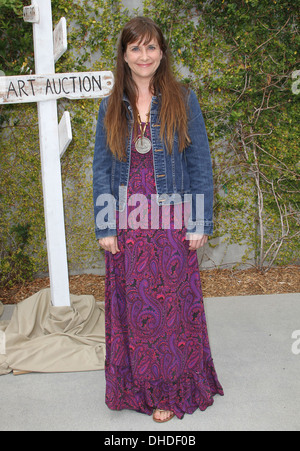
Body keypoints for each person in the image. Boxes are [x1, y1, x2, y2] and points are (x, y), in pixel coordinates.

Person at [93, 16, 223, 423]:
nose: (144, 55)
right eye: (135, 48)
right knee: (134, 309)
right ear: (124, 55)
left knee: (171, 310)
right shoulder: (111, 104)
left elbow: (199, 161)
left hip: (171, 220)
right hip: (128, 222)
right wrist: (106, 225)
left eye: (151, 47)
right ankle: (134, 387)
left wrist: (199, 220)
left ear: (162, 52)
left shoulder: (183, 99)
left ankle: (169, 390)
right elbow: (101, 167)